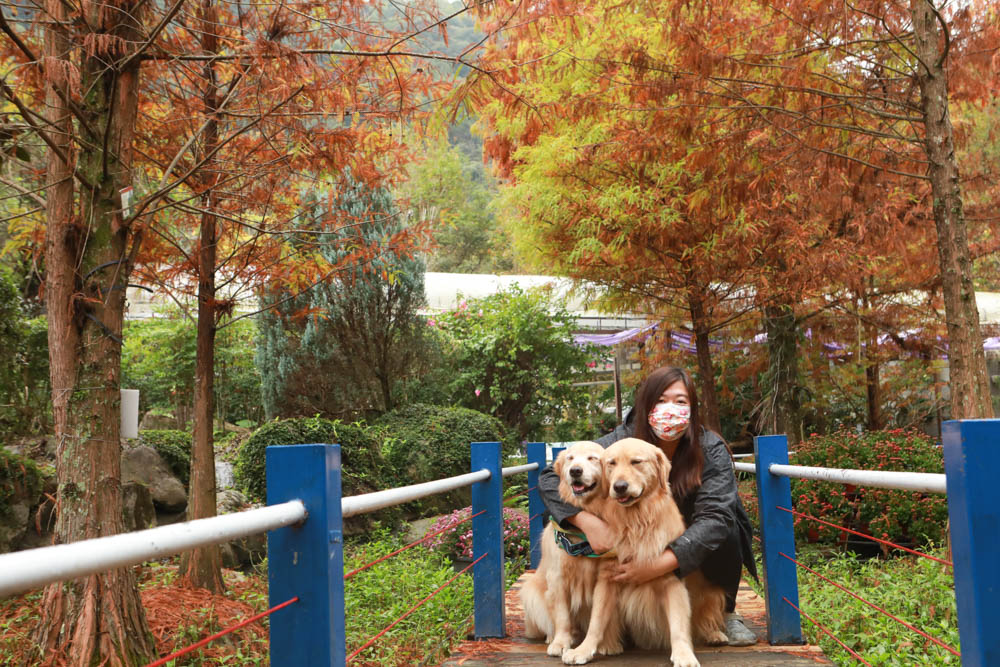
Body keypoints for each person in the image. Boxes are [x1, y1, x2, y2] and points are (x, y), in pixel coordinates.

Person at [538, 365, 758, 646]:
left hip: (692, 532)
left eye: (680, 402)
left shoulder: (710, 448)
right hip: (636, 535)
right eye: (661, 400)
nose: (670, 409)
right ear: (645, 405)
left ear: (692, 408)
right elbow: (549, 478)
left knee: (725, 528)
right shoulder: (621, 438)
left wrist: (659, 565)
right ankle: (622, 617)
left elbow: (716, 517)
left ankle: (726, 612)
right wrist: (587, 522)